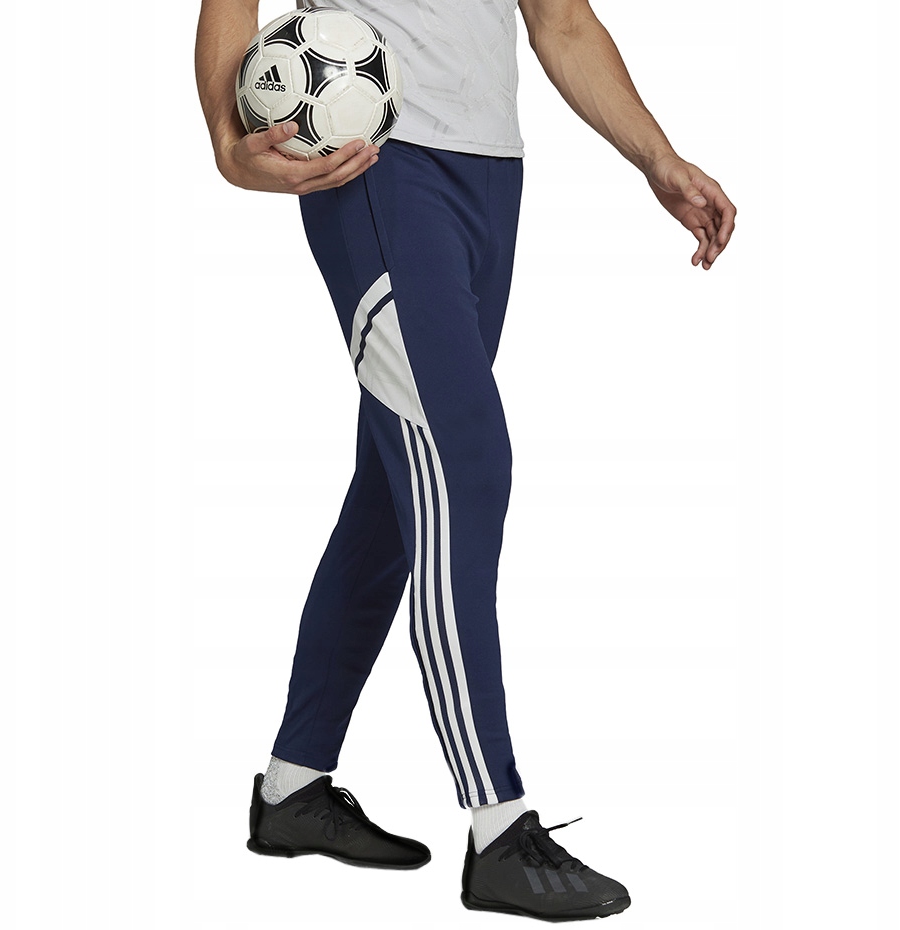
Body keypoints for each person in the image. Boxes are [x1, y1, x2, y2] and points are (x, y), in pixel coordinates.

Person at [195, 0, 736, 921]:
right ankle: (499, 828)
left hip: (491, 174)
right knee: (465, 462)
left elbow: (562, 22)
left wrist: (658, 157)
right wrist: (224, 136)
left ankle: (293, 787)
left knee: (394, 490)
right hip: (373, 163)